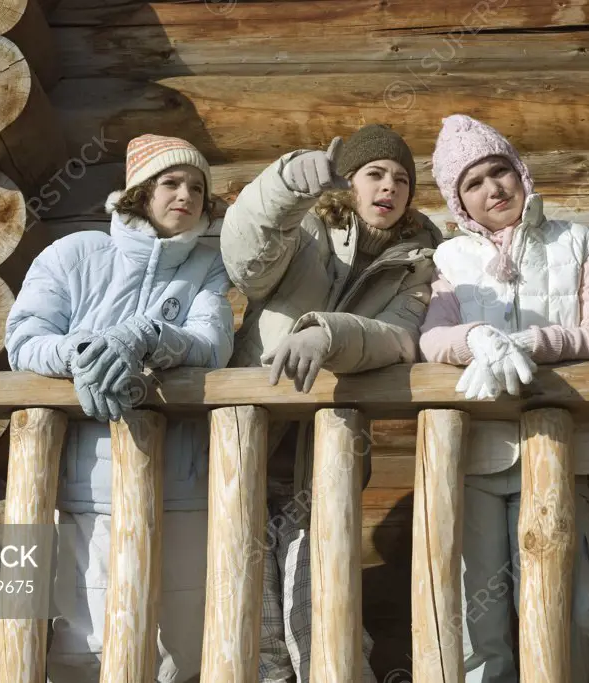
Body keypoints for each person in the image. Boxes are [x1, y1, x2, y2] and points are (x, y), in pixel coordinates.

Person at [4, 133, 235, 683]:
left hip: (182, 488)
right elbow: (24, 340)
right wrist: (84, 352)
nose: (186, 195)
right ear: (138, 193)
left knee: (180, 652)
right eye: (171, 183)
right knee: (85, 648)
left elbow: (211, 341)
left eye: (197, 187)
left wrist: (148, 334)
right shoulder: (72, 254)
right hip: (86, 489)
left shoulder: (208, 266)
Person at [220, 124, 442, 682]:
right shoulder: (309, 228)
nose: (388, 187)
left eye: (400, 179)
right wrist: (286, 182)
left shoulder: (418, 264)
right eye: (374, 174)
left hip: (324, 462)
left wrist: (325, 334)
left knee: (321, 617)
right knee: (256, 632)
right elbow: (246, 259)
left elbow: (398, 338)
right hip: (245, 446)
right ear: (350, 182)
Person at [419, 114, 589, 682]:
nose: (493, 190)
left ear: (520, 172)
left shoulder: (579, 242)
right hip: (479, 461)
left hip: (561, 451)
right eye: (474, 184)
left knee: (574, 608)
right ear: (460, 203)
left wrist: (535, 341)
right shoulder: (448, 261)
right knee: (476, 624)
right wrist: (476, 338)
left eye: (499, 172)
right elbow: (430, 339)